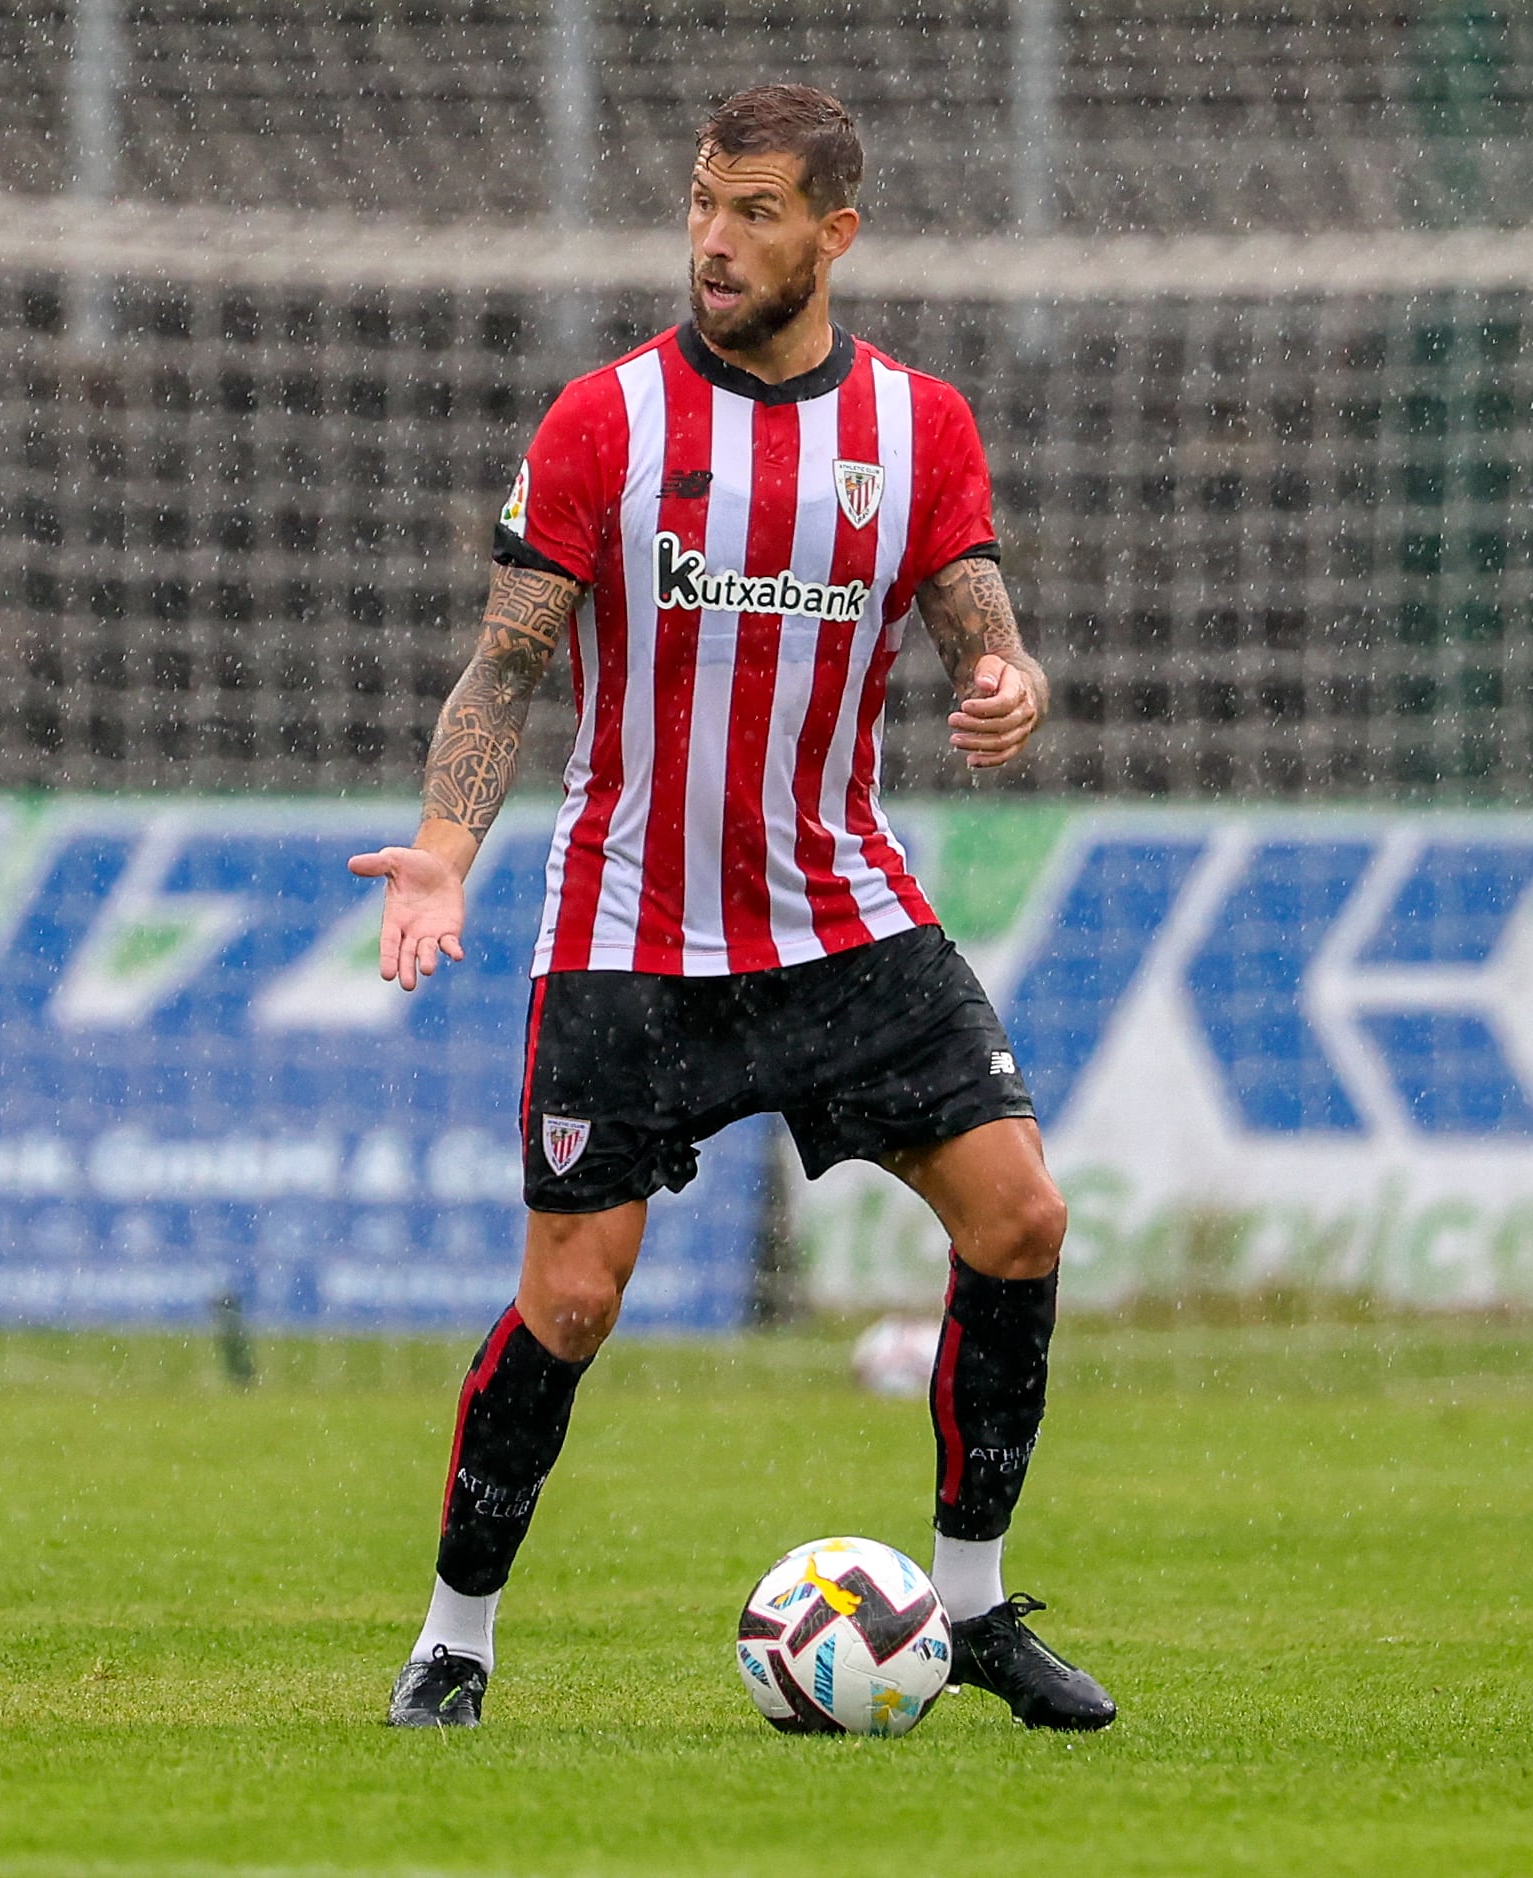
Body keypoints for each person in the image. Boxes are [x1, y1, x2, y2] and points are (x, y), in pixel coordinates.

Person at [349, 82, 1114, 1734]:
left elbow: (977, 618)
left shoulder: (917, 428)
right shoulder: (603, 422)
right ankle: (453, 1639)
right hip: (634, 937)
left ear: (833, 233)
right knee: (569, 1303)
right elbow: (510, 659)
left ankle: (969, 1610)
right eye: (703, 201)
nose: (714, 237)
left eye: (756, 210)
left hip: (845, 922)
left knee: (1022, 1222)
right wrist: (441, 844)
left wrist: (1010, 678)